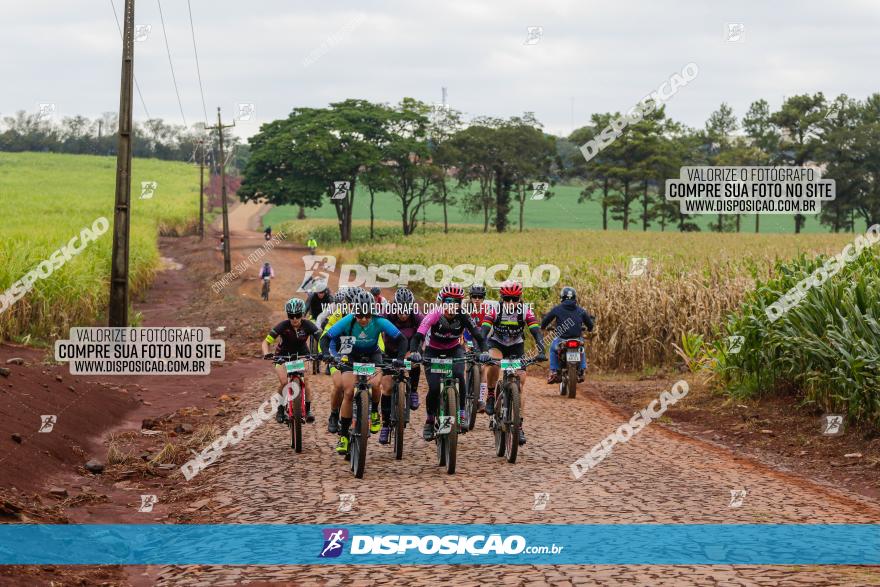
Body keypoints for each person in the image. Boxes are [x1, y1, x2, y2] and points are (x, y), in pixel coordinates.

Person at [321, 290, 406, 455]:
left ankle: (374, 411)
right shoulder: (348, 320)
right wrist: (326, 355)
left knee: (375, 384)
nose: (364, 319)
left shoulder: (379, 320)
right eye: (360, 315)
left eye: (367, 315)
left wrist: (401, 358)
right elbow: (326, 338)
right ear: (355, 312)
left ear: (372, 312)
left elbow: (401, 339)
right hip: (351, 355)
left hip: (373, 355)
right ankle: (344, 435)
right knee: (348, 392)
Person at [409, 283, 489, 441]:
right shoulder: (434, 314)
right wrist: (415, 352)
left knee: (459, 374)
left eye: (456, 302)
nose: (452, 305)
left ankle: (461, 415)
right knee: (433, 388)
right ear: (442, 302)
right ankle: (430, 421)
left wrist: (484, 352)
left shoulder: (463, 315)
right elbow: (418, 336)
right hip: (433, 351)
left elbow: (478, 336)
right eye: (448, 301)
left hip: (454, 350)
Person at [481, 280, 545, 446]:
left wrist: (541, 350)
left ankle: (519, 426)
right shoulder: (495, 309)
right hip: (497, 344)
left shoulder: (525, 311)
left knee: (521, 384)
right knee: (494, 363)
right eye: (507, 299)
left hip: (516, 346)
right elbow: (484, 331)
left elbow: (536, 332)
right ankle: (489, 395)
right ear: (502, 298)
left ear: (520, 298)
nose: (511, 303)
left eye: (514, 299)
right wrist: (482, 350)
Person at [261, 298, 321, 424]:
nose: (294, 319)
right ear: (288, 315)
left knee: (305, 380)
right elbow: (266, 342)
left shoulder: (308, 325)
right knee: (283, 382)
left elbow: (322, 339)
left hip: (302, 354)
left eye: (298, 315)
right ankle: (281, 409)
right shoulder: (283, 325)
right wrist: (266, 353)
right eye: (291, 316)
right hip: (283, 355)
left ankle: (308, 410)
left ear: (302, 314)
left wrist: (322, 352)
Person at [379, 287, 425, 439]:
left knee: (414, 361)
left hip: (409, 349)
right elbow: (375, 327)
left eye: (407, 310)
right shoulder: (387, 313)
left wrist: (416, 351)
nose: (404, 315)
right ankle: (385, 424)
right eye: (401, 310)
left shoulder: (416, 315)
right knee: (386, 388)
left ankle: (413, 391)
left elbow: (424, 330)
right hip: (389, 351)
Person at [542, 286, 595, 385]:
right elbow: (590, 326)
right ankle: (582, 369)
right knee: (581, 349)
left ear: (562, 297)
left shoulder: (557, 309)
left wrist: (544, 326)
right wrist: (588, 327)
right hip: (577, 339)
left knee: (553, 349)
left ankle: (554, 371)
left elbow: (544, 322)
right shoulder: (581, 310)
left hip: (562, 339)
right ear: (575, 297)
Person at [462, 283, 497, 412]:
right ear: (470, 297)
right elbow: (463, 327)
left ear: (483, 298)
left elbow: (490, 330)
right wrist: (467, 344)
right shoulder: (465, 307)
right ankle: (466, 394)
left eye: (480, 297)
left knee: (482, 368)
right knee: (467, 364)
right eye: (474, 296)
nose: (477, 299)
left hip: (483, 338)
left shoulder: (488, 309)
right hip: (468, 337)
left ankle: (481, 399)